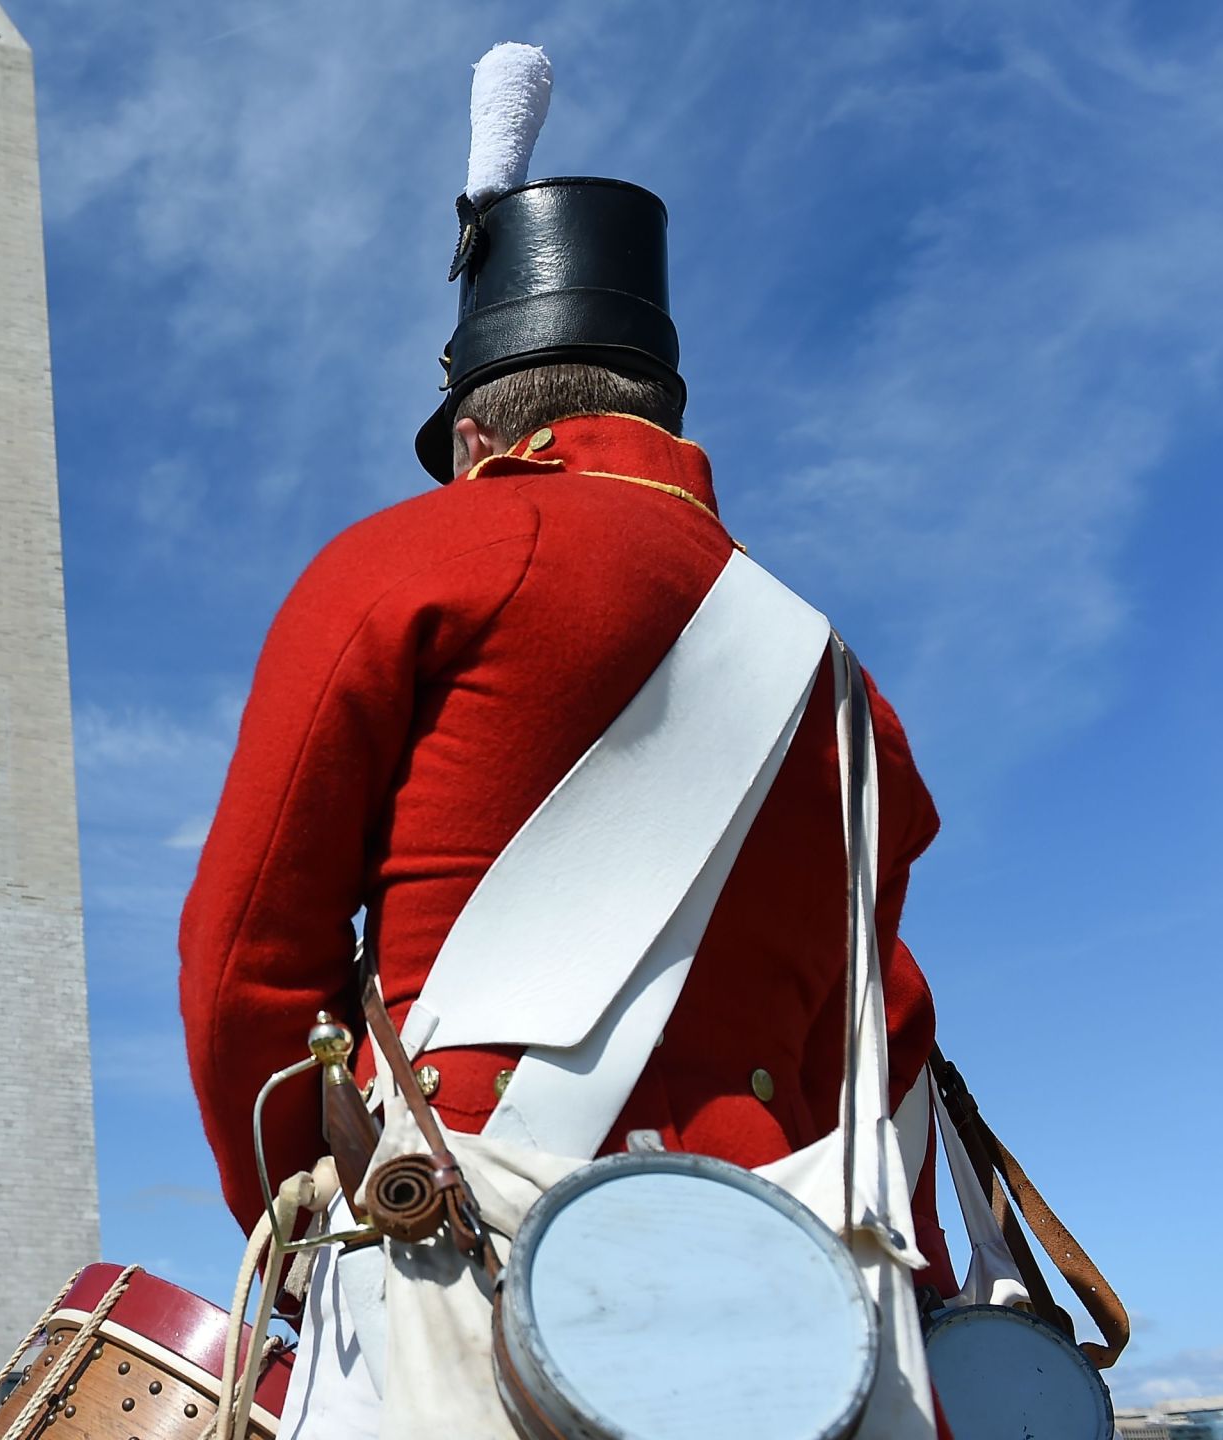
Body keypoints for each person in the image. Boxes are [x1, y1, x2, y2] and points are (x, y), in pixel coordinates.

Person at [177, 42, 956, 1439]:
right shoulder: (849, 692)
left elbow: (249, 953)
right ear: (661, 406)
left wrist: (304, 1202)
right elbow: (886, 1045)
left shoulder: (407, 563)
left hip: (457, 1258)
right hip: (785, 1314)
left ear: (477, 435)